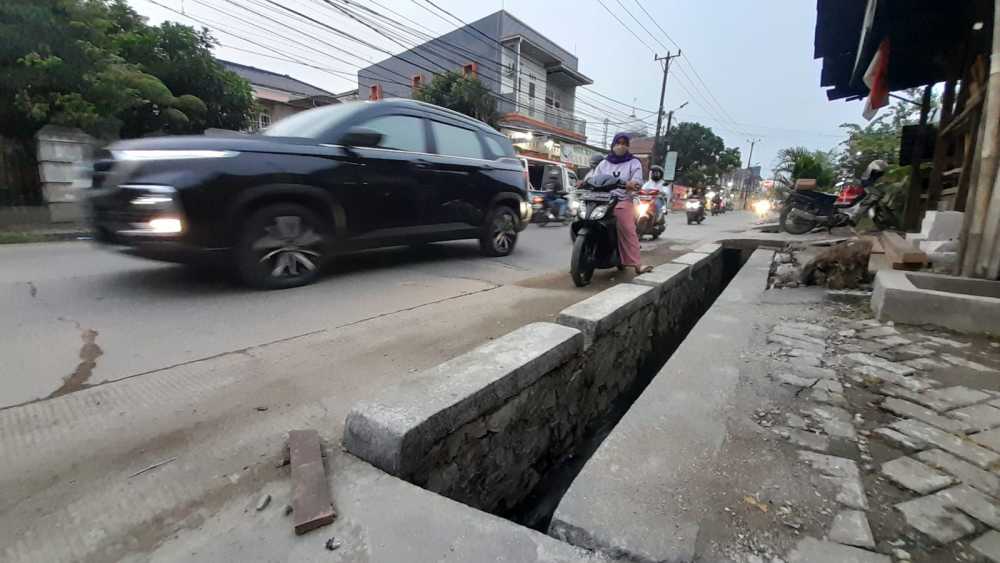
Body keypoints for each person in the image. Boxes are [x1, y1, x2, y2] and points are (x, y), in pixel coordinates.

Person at [591, 133, 653, 275]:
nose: (621, 145)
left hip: (622, 200)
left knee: (627, 227)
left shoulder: (633, 162)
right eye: (618, 142)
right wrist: (583, 182)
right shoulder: (604, 163)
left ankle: (637, 264)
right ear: (612, 145)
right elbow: (594, 179)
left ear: (628, 146)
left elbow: (638, 181)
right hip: (601, 199)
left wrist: (633, 184)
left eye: (624, 143)